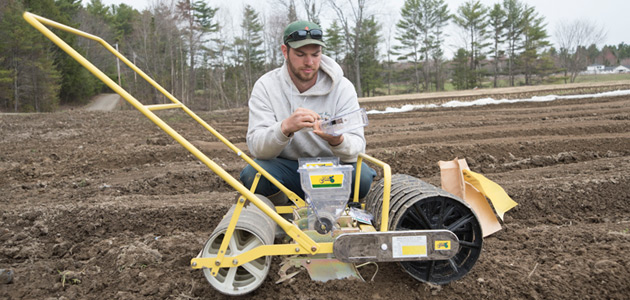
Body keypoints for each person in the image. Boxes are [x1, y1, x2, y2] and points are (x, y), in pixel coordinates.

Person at [239, 20, 376, 205]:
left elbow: (357, 147)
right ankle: (280, 210)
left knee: (363, 177)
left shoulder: (342, 88)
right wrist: (285, 128)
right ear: (285, 51)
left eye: (315, 54)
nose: (309, 62)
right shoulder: (266, 86)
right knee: (254, 175)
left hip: (330, 171)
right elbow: (257, 147)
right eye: (300, 54)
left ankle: (338, 206)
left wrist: (337, 140)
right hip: (288, 170)